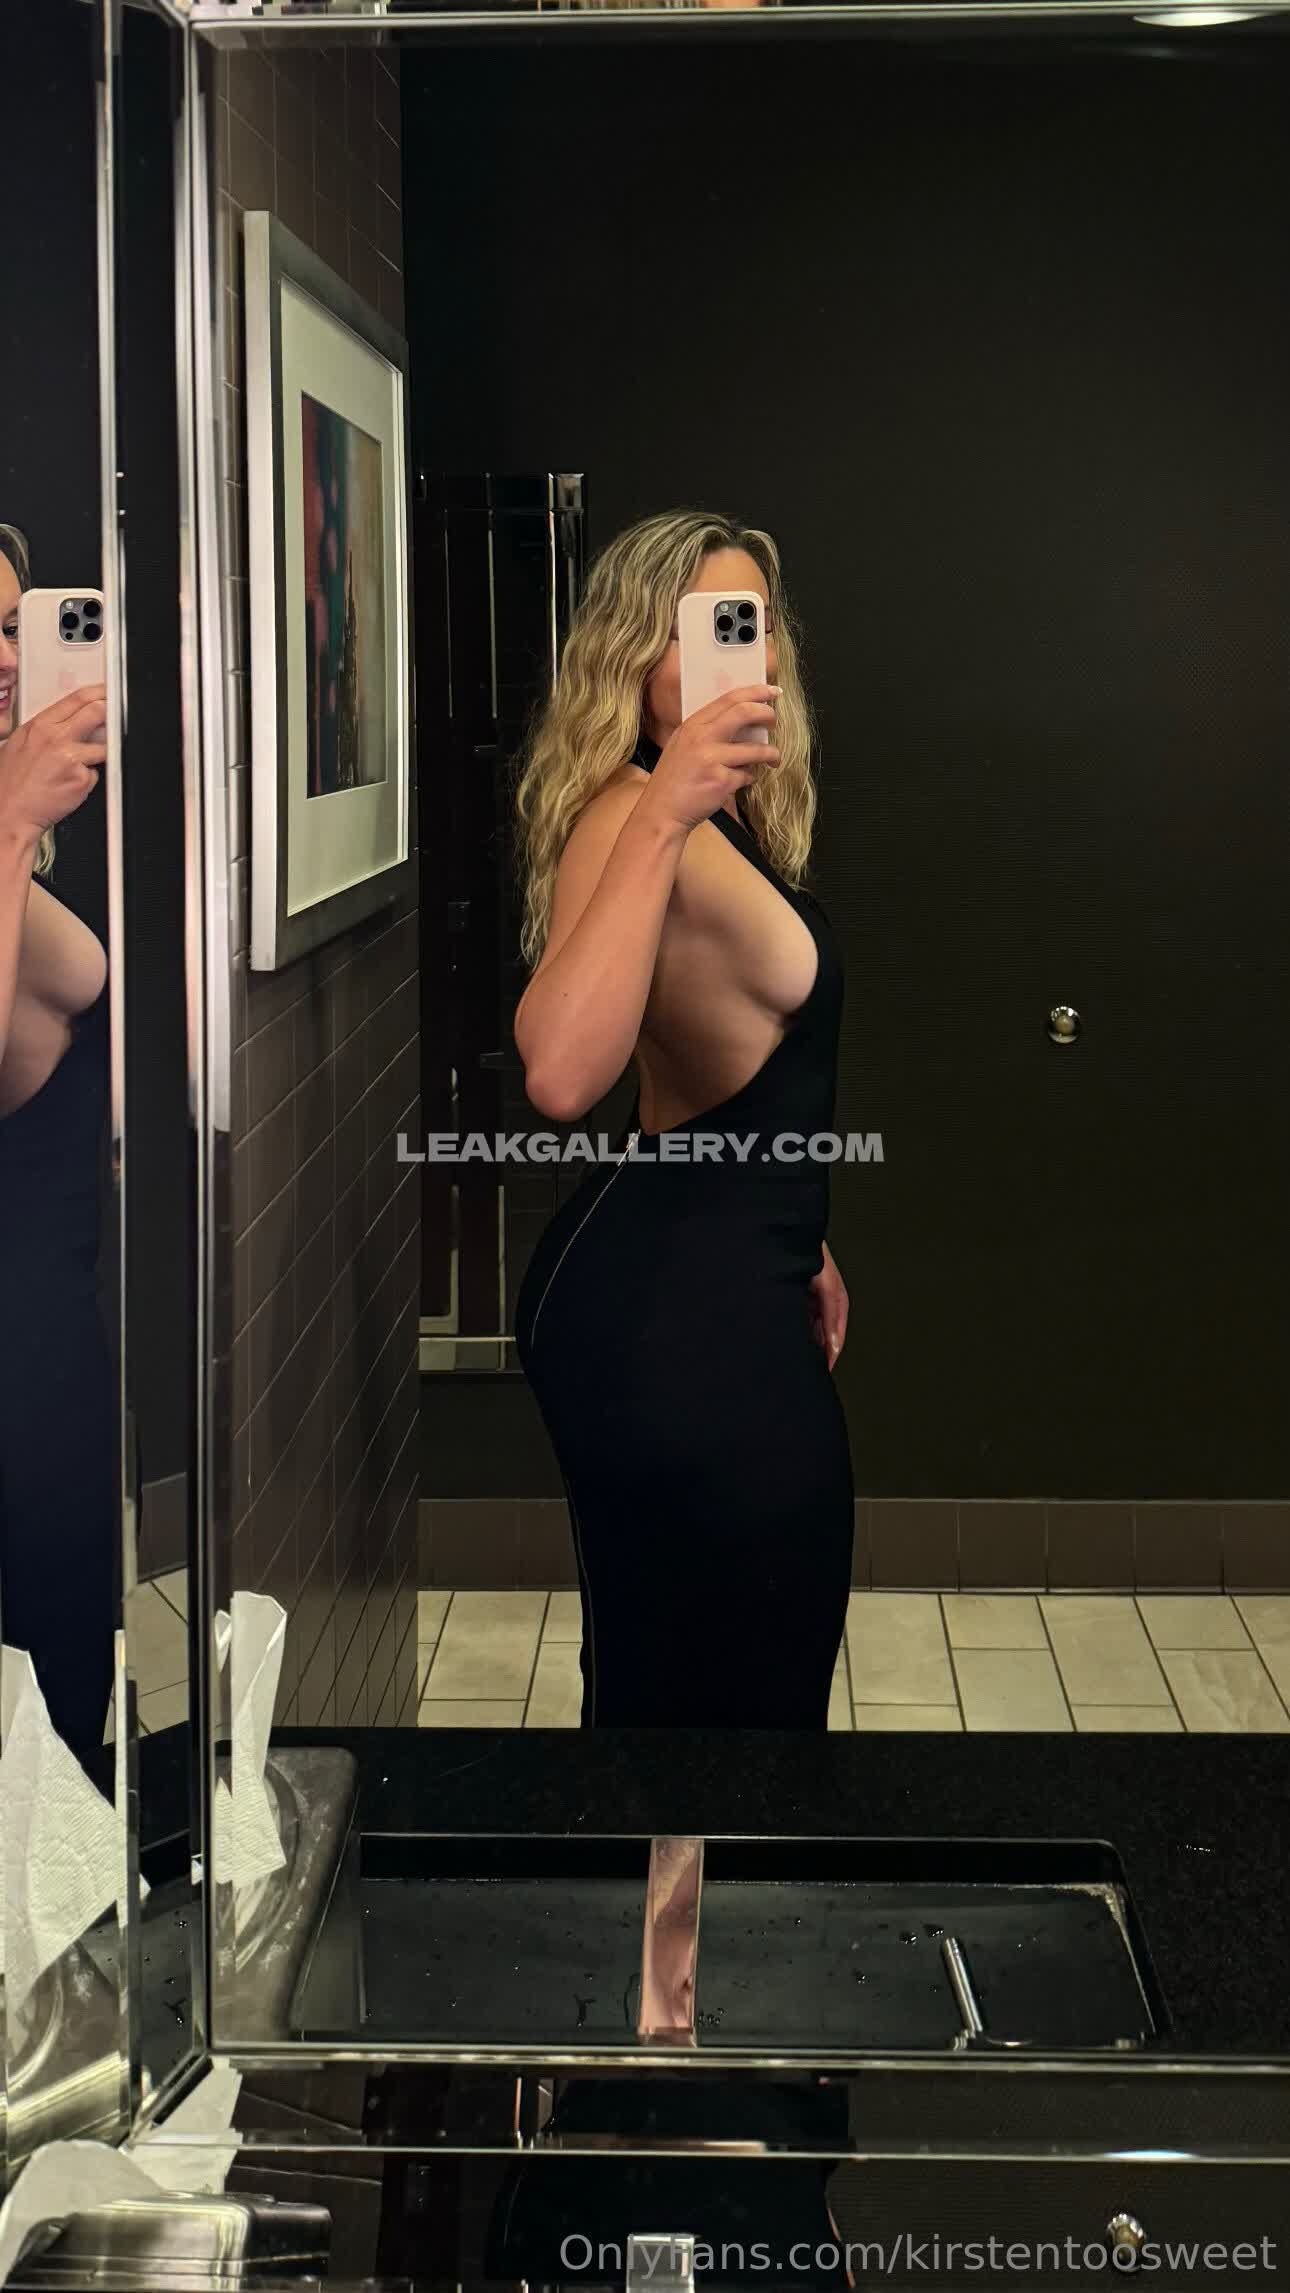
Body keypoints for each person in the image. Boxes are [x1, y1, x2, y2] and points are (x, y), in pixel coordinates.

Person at [513, 508, 853, 1729]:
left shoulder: (717, 820)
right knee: (712, 1702)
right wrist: (663, 813)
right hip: (669, 1317)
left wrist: (797, 1230)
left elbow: (720, 1059)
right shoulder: (631, 813)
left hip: (726, 1275)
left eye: (748, 626)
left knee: (733, 1678)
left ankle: (685, 1868)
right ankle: (667, 1870)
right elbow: (562, 1074)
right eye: (698, 628)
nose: (734, 656)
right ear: (631, 655)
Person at [0, 522, 116, 1770]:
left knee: (63, 1718)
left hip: (50, 1341)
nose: (2, 655)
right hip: (17, 1375)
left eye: (11, 625)